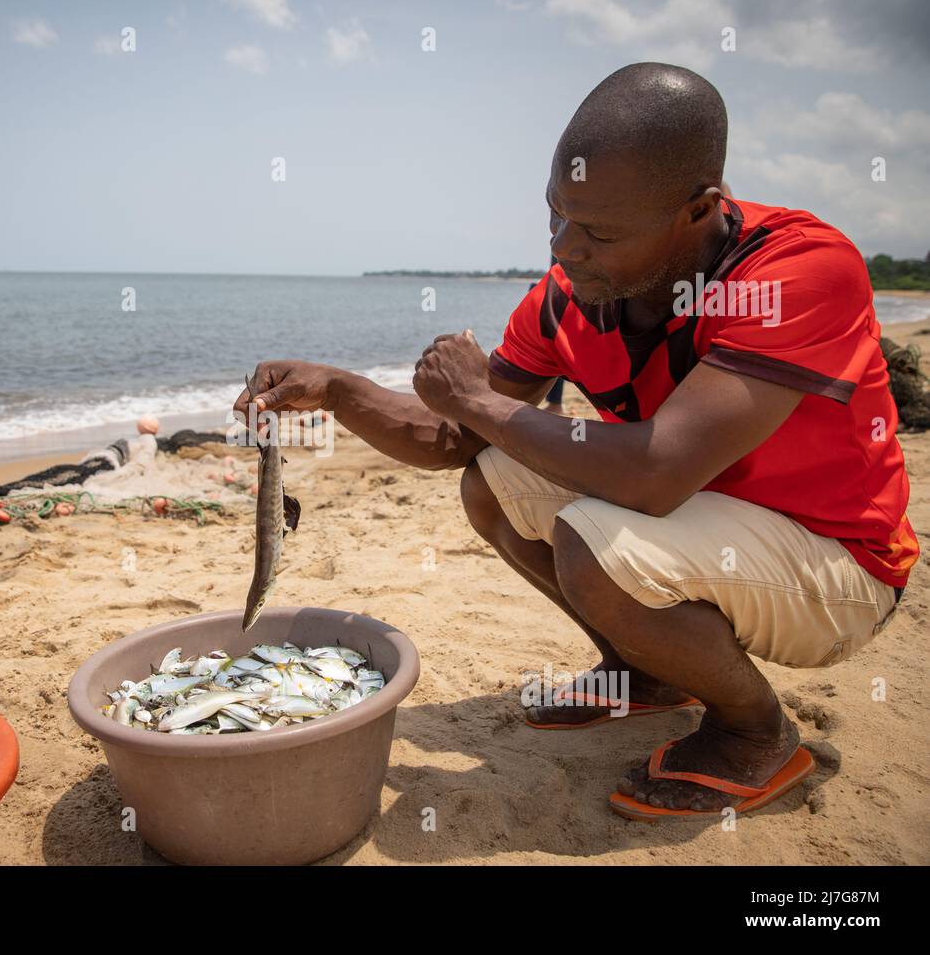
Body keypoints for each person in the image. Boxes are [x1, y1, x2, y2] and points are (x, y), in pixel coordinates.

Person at [232, 62, 918, 820]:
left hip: (838, 567)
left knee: (594, 541)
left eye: (598, 231)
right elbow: (455, 439)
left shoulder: (797, 270)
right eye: (556, 214)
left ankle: (755, 734)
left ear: (699, 211)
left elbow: (656, 474)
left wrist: (475, 396)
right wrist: (336, 389)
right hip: (709, 526)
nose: (564, 247)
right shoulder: (570, 297)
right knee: (491, 478)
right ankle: (647, 676)